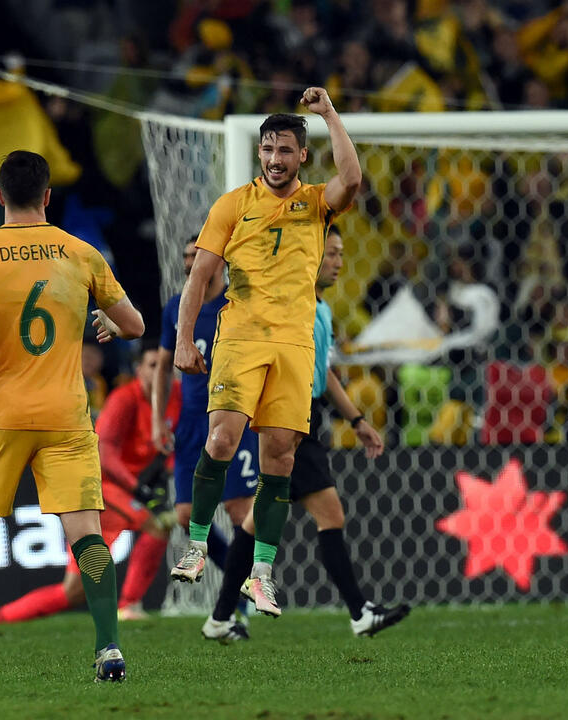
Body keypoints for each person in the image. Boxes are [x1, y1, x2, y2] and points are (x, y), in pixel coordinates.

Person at [0, 150, 145, 685]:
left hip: (0, 415)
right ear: (48, 196)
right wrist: (106, 321)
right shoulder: (80, 252)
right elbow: (134, 325)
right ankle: (108, 648)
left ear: (0, 196)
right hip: (66, 416)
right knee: (86, 535)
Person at [169, 87, 360, 618]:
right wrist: (183, 339)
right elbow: (200, 276)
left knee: (280, 456)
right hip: (241, 337)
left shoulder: (317, 202)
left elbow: (352, 178)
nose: (275, 159)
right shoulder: (233, 205)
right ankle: (196, 545)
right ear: (259, 152)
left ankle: (262, 576)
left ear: (302, 155)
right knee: (222, 438)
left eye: (285, 151)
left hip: (295, 345)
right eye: (268, 149)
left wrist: (328, 114)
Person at [202, 226, 411, 639]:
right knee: (326, 513)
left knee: (259, 520)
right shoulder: (287, 308)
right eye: (331, 254)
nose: (338, 262)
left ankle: (220, 617)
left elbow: (324, 372)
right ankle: (360, 613)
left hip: (305, 416)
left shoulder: (322, 310)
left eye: (341, 254)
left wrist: (357, 420)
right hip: (287, 417)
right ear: (309, 257)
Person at [0, 349, 179, 625]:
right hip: (99, 487)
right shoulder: (123, 399)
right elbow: (105, 454)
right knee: (157, 525)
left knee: (74, 591)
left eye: (167, 367)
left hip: (125, 491)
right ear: (138, 370)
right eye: (153, 365)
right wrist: (139, 489)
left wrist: (166, 472)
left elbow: (178, 440)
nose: (161, 372)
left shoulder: (176, 396)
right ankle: (128, 605)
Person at [153, 237, 260, 632]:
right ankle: (240, 587)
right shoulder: (176, 307)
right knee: (186, 514)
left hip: (231, 417)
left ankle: (238, 600)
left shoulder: (237, 304)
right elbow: (163, 367)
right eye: (185, 256)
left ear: (218, 262)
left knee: (239, 512)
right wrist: (157, 420)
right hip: (191, 423)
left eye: (196, 256)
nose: (188, 263)